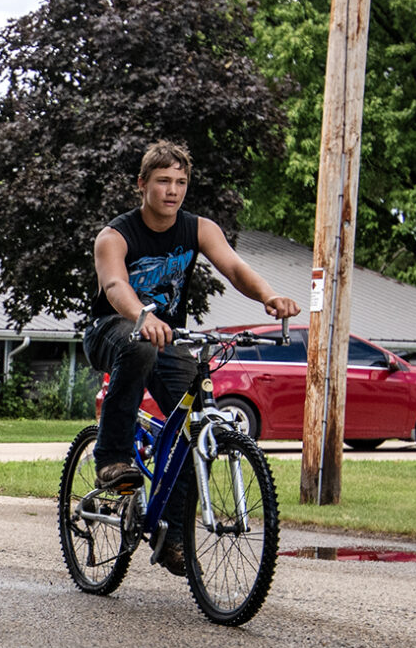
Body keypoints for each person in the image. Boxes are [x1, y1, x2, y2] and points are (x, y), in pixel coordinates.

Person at [86, 141, 300, 493]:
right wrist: (143, 315)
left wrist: (269, 295)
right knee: (137, 345)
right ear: (142, 183)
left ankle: (171, 541)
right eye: (162, 180)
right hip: (111, 330)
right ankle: (112, 458)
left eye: (180, 182)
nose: (172, 191)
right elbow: (114, 284)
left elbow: (234, 267)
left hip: (166, 337)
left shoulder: (199, 228)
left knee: (195, 429)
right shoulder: (115, 235)